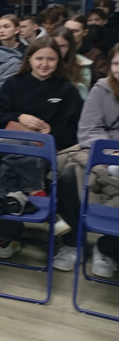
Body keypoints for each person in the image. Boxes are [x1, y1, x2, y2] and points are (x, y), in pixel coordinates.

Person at [0, 37, 83, 260]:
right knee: (18, 147)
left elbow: (76, 133)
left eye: (51, 59)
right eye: (39, 58)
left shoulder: (67, 90)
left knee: (17, 167)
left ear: (59, 61)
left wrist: (51, 130)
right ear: (29, 59)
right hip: (9, 146)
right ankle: (40, 194)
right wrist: (19, 117)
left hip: (49, 152)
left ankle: (6, 236)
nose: (44, 64)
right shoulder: (13, 84)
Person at [75, 44, 119, 277]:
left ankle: (109, 246)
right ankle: (103, 246)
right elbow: (88, 131)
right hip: (104, 155)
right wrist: (111, 153)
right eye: (116, 63)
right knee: (71, 176)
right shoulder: (100, 89)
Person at [52, 26, 90, 99]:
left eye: (62, 46)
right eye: (55, 45)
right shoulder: (45, 64)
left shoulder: (83, 65)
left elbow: (83, 95)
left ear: (70, 47)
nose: (58, 50)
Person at [66, 14, 107, 81]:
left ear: (85, 32)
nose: (70, 34)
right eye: (67, 30)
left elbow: (101, 79)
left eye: (75, 31)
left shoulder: (96, 54)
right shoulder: (58, 51)